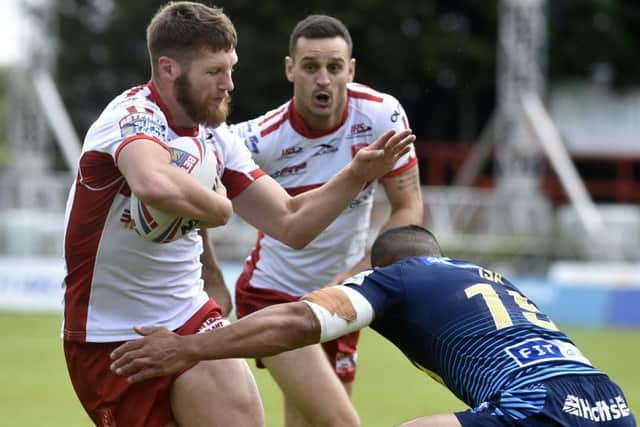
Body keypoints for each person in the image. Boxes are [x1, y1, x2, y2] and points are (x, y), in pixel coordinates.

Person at [61, 2, 415, 426]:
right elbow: (152, 182)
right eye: (214, 72)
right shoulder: (132, 115)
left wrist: (356, 174)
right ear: (169, 68)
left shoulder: (216, 136)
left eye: (231, 68)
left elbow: (291, 221)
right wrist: (220, 206)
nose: (229, 84)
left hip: (189, 316)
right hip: (109, 336)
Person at [111, 225, 636, 427]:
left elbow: (298, 320)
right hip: (611, 405)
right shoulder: (485, 278)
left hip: (534, 405)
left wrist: (190, 349)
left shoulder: (398, 279)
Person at [229, 14, 423, 426]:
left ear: (350, 70)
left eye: (334, 67)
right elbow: (199, 188)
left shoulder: (381, 117)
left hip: (346, 297)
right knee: (341, 423)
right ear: (290, 69)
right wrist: (208, 270)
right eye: (311, 66)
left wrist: (358, 276)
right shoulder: (258, 138)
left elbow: (409, 209)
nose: (323, 79)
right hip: (273, 296)